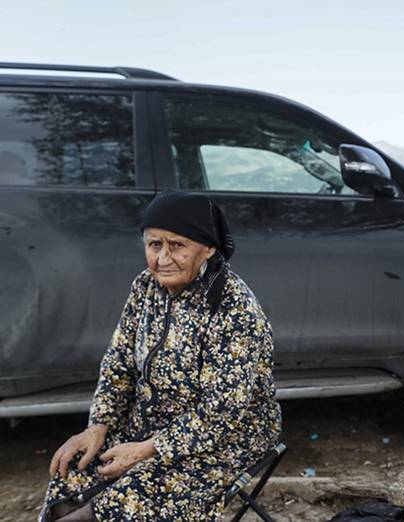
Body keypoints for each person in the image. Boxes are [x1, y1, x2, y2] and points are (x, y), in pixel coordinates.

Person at [40, 192, 282, 521]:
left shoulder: (234, 309)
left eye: (177, 245)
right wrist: (98, 426)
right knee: (70, 475)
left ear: (208, 248)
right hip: (150, 423)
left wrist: (148, 450)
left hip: (226, 439)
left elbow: (223, 413)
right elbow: (119, 365)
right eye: (155, 245)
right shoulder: (145, 287)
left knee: (130, 499)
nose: (163, 258)